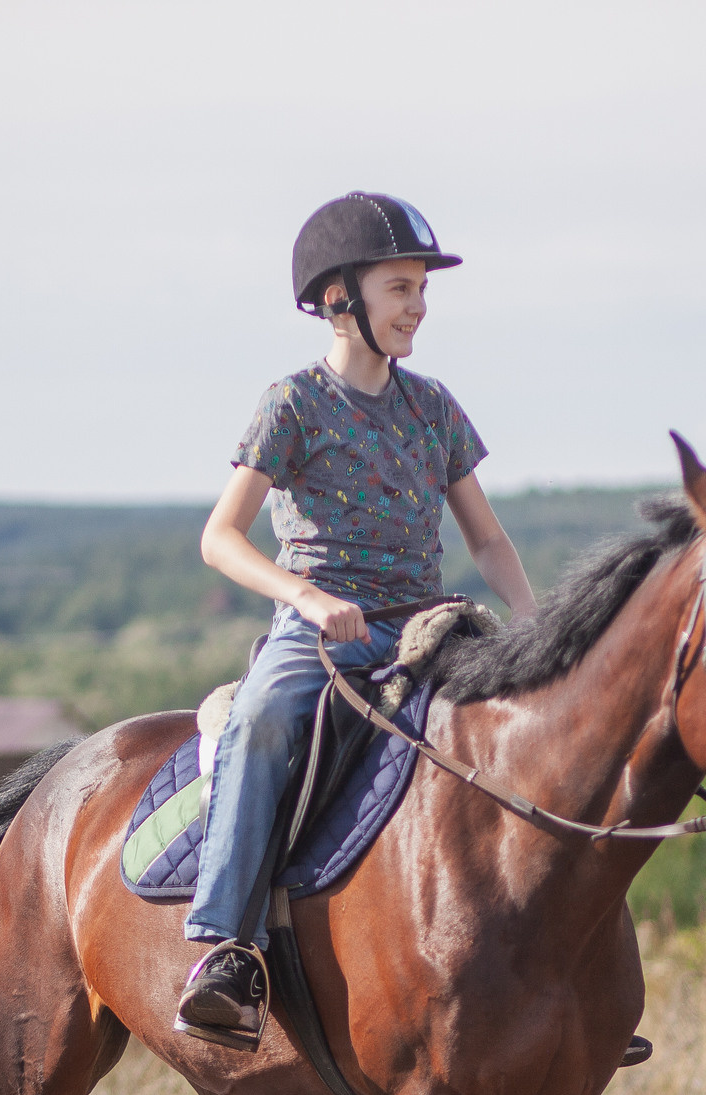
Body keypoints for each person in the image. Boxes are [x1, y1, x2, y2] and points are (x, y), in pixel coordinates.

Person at [177, 192, 537, 1047]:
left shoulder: (434, 406)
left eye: (421, 289)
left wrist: (538, 631)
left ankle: (559, 964)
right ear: (341, 300)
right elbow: (218, 537)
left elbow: (487, 539)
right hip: (322, 628)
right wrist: (303, 596)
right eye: (401, 287)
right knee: (263, 725)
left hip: (429, 625)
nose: (418, 305)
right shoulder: (291, 405)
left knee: (536, 732)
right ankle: (226, 947)